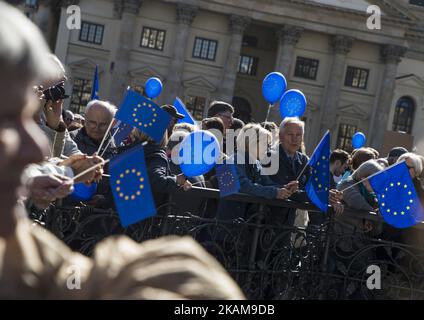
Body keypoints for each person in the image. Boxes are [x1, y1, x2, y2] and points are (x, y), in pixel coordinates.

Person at [0, 2, 244, 299]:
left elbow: (61, 276)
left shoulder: (16, 240)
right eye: (9, 120)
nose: (37, 147)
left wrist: (142, 274)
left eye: (30, 116)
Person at [216, 123, 297, 222]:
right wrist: (275, 192)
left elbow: (268, 183)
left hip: (245, 224)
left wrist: (286, 188)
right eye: (265, 144)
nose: (268, 149)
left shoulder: (256, 163)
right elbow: (243, 186)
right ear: (252, 142)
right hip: (227, 225)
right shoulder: (232, 160)